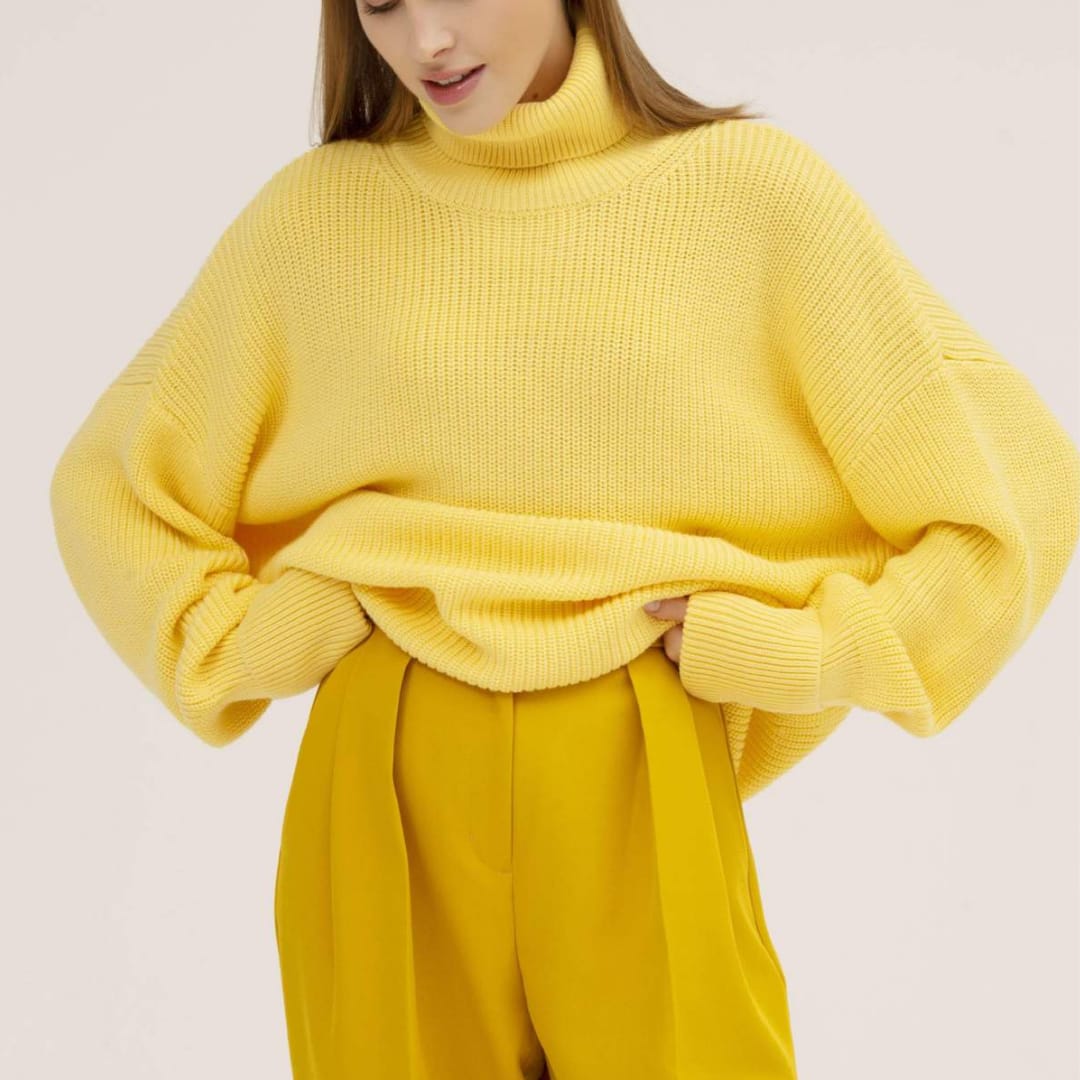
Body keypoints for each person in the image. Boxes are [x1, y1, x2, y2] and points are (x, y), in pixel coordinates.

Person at [48, 0, 1080, 1077]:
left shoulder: (752, 194)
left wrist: (808, 649)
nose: (425, 41)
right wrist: (253, 639)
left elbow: (1019, 487)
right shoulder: (318, 217)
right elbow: (109, 484)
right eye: (383, 2)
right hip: (383, 760)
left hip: (640, 749)